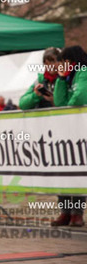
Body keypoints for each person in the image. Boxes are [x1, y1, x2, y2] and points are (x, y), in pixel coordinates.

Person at [51, 45, 87, 227]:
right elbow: (59, 102)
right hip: (68, 130)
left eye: (65, 61)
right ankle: (65, 211)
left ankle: (77, 213)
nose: (62, 65)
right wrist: (61, 79)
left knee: (78, 170)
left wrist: (68, 110)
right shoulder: (68, 76)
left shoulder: (83, 71)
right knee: (63, 170)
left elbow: (80, 97)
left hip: (81, 129)